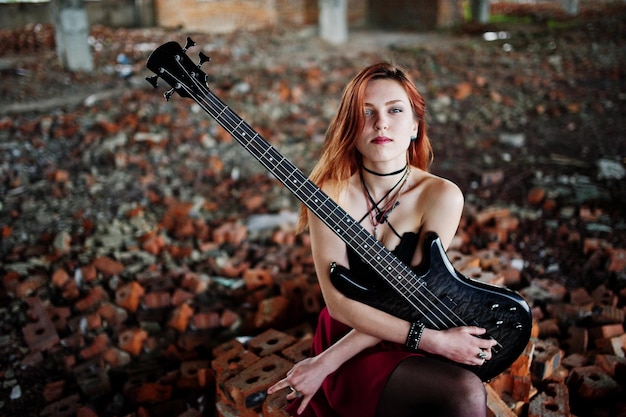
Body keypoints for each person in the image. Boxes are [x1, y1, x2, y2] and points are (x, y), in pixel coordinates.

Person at [267, 62, 498, 417]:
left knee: (462, 393)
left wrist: (430, 340)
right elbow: (340, 305)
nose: (381, 123)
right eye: (366, 113)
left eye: (395, 110)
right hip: (349, 341)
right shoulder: (329, 195)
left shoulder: (440, 196)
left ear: (415, 125)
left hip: (416, 324)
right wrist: (326, 362)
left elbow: (413, 298)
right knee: (463, 391)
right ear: (350, 127)